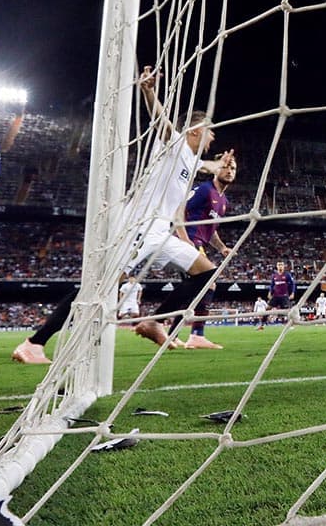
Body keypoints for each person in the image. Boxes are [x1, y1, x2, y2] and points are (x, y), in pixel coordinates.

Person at [12, 66, 233, 363]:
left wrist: (217, 168)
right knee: (101, 288)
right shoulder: (175, 144)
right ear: (194, 130)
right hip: (137, 227)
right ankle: (34, 343)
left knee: (206, 272)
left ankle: (155, 321)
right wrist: (149, 91)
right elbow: (163, 123)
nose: (213, 135)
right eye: (209, 130)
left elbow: (196, 179)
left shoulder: (190, 163)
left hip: (160, 231)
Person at [180, 155, 237, 349]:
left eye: (233, 168)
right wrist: (184, 240)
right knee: (209, 285)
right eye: (226, 167)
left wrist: (221, 247)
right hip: (189, 240)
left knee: (192, 291)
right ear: (215, 169)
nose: (229, 171)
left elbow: (211, 230)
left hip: (199, 243)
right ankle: (196, 335)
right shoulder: (204, 190)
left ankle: (169, 331)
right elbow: (180, 209)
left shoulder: (223, 201)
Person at [269, 260, 296, 325]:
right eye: (279, 265)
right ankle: (262, 324)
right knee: (267, 308)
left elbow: (293, 284)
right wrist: (270, 292)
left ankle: (290, 324)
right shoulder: (274, 275)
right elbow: (272, 285)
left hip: (284, 296)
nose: (280, 266)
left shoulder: (287, 275)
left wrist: (292, 293)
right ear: (277, 266)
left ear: (283, 266)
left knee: (288, 310)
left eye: (281, 265)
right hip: (275, 296)